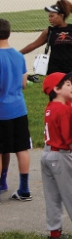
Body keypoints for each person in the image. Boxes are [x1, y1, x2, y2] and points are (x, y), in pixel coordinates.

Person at [40, 71, 72, 239]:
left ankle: (54, 233)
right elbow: (69, 139)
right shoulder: (63, 110)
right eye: (68, 85)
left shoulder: (51, 106)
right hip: (60, 155)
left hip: (47, 153)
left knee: (52, 195)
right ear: (56, 89)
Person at [0, 19, 32, 202]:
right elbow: (23, 83)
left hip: (1, 110)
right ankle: (25, 189)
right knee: (21, 148)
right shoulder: (19, 56)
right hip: (19, 108)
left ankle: (2, 182)